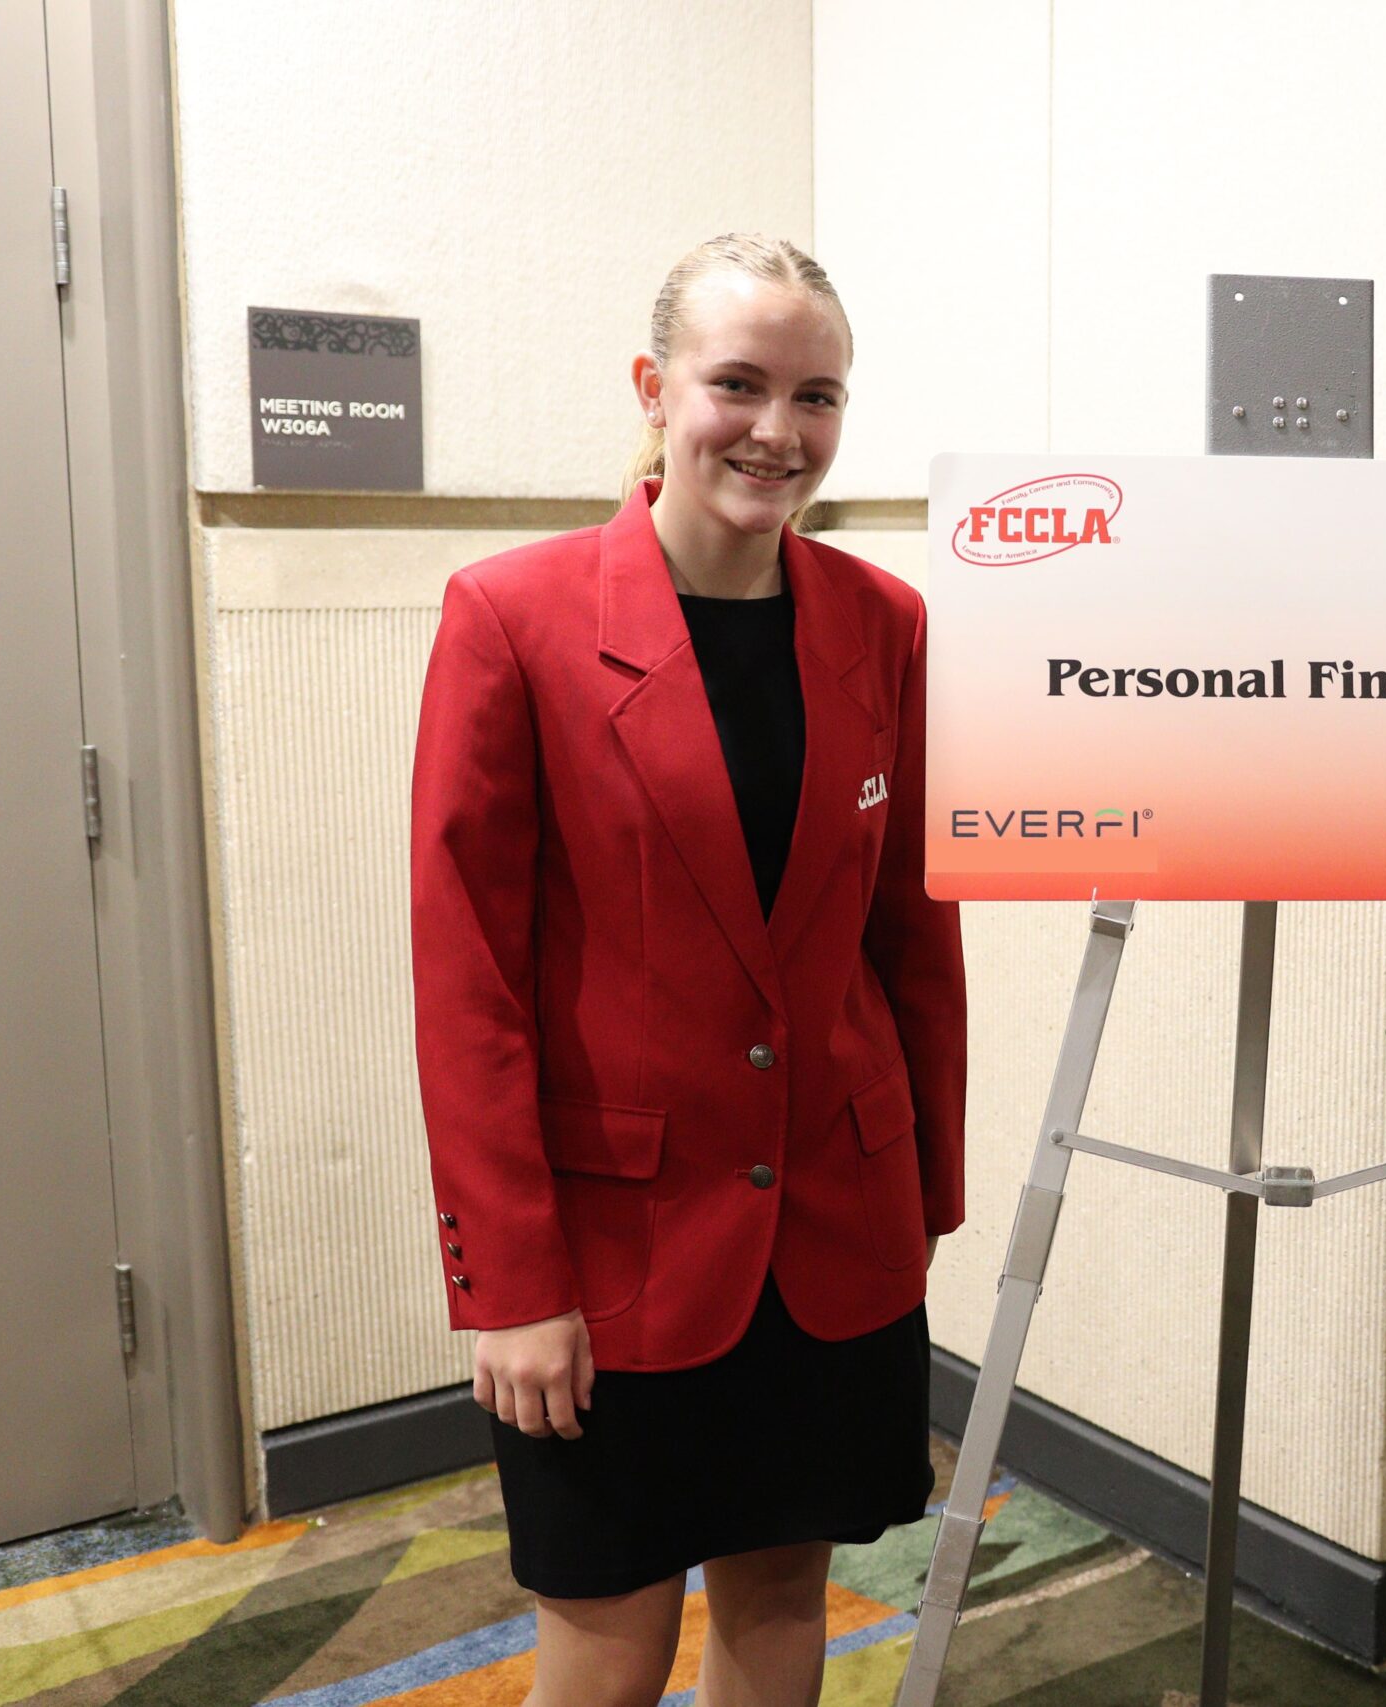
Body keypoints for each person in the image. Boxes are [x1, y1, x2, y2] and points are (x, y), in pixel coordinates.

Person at [410, 233, 965, 1707]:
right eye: (739, 384)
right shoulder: (512, 620)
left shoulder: (886, 625)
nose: (778, 432)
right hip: (613, 1250)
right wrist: (507, 1279)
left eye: (818, 395)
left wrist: (923, 1203)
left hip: (838, 1227)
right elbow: (468, 978)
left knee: (786, 1601)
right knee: (608, 1637)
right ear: (656, 390)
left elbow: (915, 939)